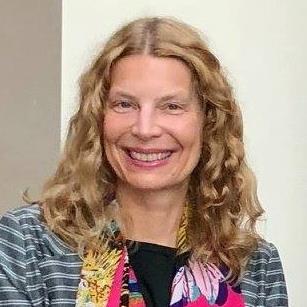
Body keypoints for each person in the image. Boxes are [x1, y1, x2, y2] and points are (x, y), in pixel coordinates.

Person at [0, 17, 288, 307]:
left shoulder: (255, 267)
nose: (145, 128)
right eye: (125, 104)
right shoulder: (27, 246)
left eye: (171, 106)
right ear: (99, 118)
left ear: (208, 122)